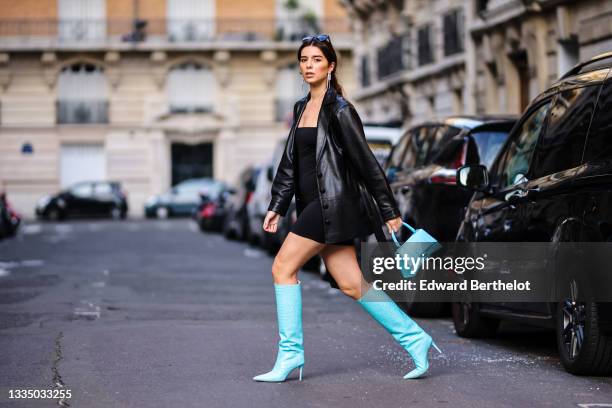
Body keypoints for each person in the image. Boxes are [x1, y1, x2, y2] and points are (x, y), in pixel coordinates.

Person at [252, 34, 442, 383]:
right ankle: (416, 338)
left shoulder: (340, 110)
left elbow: (367, 163)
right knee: (352, 283)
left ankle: (291, 354)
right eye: (303, 60)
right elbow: (290, 163)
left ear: (331, 66)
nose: (308, 66)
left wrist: (390, 211)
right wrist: (277, 205)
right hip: (311, 204)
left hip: (333, 206)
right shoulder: (300, 107)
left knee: (282, 267)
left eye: (316, 60)